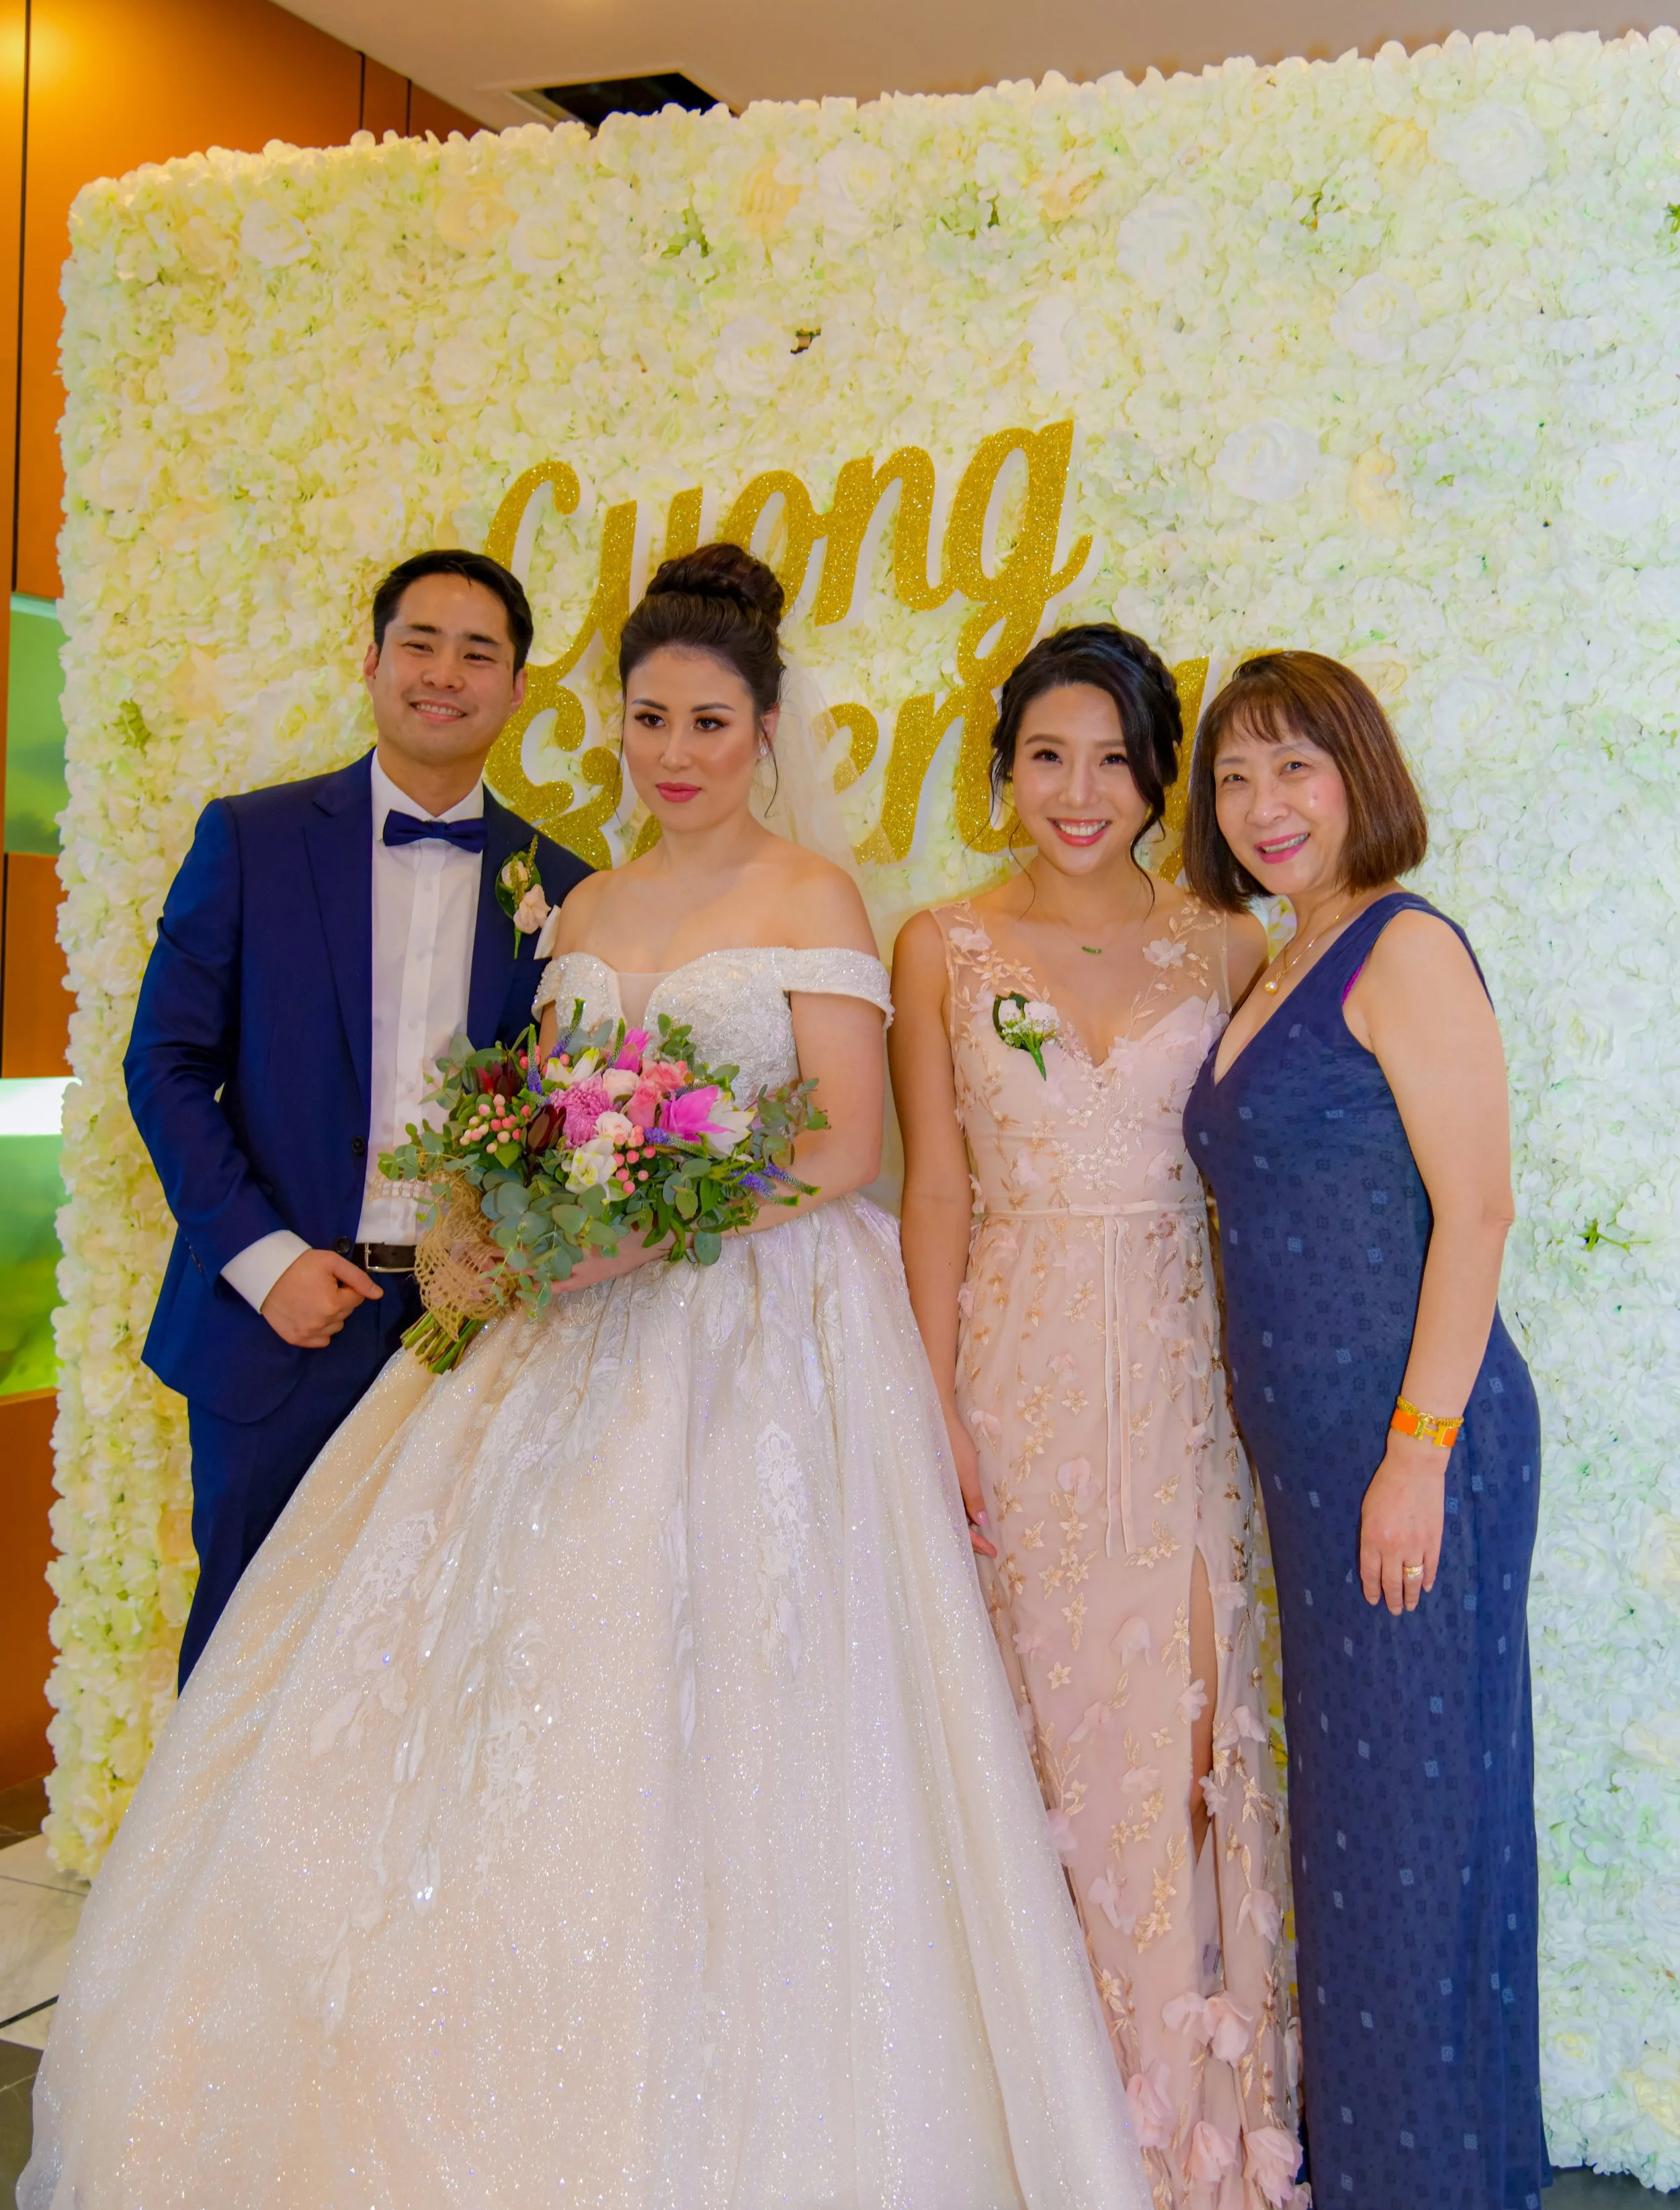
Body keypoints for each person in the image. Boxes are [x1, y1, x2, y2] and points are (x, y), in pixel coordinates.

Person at [25, 547, 1150, 2209]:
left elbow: (844, 1142)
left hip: (761, 1333)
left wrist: (653, 1231)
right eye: (646, 718)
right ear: (611, 722)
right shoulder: (582, 901)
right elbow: (539, 1116)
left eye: (708, 719)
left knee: (749, 1690)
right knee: (509, 1680)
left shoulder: (810, 900)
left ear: (764, 730)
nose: (674, 749)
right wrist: (522, 1214)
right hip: (572, 1329)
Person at [890, 624, 1305, 2210]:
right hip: (1012, 1368)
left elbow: (1262, 1184)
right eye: (1046, 755)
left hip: (1181, 1380)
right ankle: (1042, 2118)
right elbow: (932, 1184)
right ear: (1001, 764)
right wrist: (929, 1397)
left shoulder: (1225, 944)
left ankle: (1185, 2124)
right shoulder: (940, 941)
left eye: (1114, 760)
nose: (1079, 792)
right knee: (1036, 1732)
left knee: (1180, 1736)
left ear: (1158, 774)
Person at [1178, 652, 1546, 2210]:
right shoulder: (1269, 963)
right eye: (1235, 777)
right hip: (1315, 1461)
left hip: (1414, 1450)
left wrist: (1414, 1454)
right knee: (1361, 1821)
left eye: (1295, 768)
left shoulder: (1398, 948)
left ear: (1358, 777)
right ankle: (1404, 2167)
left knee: (1414, 1824)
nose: (1263, 807)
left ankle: (1427, 2182)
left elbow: (1476, 1210)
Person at [124, 548, 588, 1683]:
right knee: (249, 1659)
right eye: (420, 644)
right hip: (281, 1322)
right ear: (372, 660)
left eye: (480, 653)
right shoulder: (252, 839)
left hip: (467, 1335)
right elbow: (166, 1065)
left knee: (433, 1671)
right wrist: (264, 1259)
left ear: (519, 687)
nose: (446, 673)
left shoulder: (565, 885)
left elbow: (568, 1113)